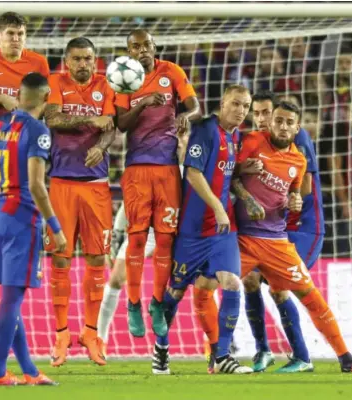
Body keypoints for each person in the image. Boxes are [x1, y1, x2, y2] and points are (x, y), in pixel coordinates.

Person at [232, 101, 352, 375]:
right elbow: (231, 176)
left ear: (296, 126)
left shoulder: (299, 149)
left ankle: (325, 357)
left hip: (298, 230)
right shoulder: (252, 140)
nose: (264, 120)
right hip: (252, 235)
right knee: (235, 283)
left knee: (287, 289)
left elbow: (301, 190)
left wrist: (292, 201)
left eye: (267, 113)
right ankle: (244, 352)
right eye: (260, 114)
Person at [156, 85, 254, 375]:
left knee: (232, 283)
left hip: (222, 231)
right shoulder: (206, 130)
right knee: (173, 293)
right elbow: (194, 172)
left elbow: (222, 171)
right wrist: (218, 206)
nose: (240, 111)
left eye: (245, 106)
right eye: (235, 104)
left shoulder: (234, 136)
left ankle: (221, 356)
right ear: (222, 104)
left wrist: (242, 170)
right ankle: (161, 349)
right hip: (193, 229)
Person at [0, 72, 64, 386]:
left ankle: (29, 370)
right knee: (12, 300)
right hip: (21, 217)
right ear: (47, 96)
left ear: (19, 93)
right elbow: (38, 186)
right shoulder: (38, 130)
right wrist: (55, 226)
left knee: (12, 297)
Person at [115, 28, 201, 338]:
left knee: (165, 241)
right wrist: (143, 103)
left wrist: (185, 116)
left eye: (146, 45)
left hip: (167, 169)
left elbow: (194, 105)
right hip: (137, 169)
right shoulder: (124, 80)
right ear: (129, 52)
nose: (141, 50)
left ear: (155, 47)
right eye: (135, 46)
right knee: (137, 240)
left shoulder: (172, 71)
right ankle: (134, 304)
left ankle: (156, 303)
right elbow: (121, 124)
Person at [0, 12, 49, 335]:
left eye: (20, 34)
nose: (16, 39)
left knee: (10, 229)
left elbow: (45, 105)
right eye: (11, 33)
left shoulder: (39, 63)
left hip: (26, 152)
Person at [43, 36, 116, 367]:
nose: (84, 64)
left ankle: (90, 332)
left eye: (88, 58)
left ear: (95, 60)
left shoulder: (106, 85)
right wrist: (90, 121)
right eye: (77, 59)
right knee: (60, 260)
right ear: (66, 62)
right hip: (61, 184)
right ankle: (61, 334)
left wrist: (102, 146)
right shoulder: (56, 83)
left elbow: (110, 126)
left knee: (97, 260)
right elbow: (53, 119)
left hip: (97, 186)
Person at [97, 132, 191, 347]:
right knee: (116, 279)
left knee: (196, 283)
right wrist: (116, 236)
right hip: (146, 230)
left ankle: (211, 344)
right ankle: (100, 338)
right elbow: (129, 202)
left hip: (176, 232)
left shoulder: (190, 172)